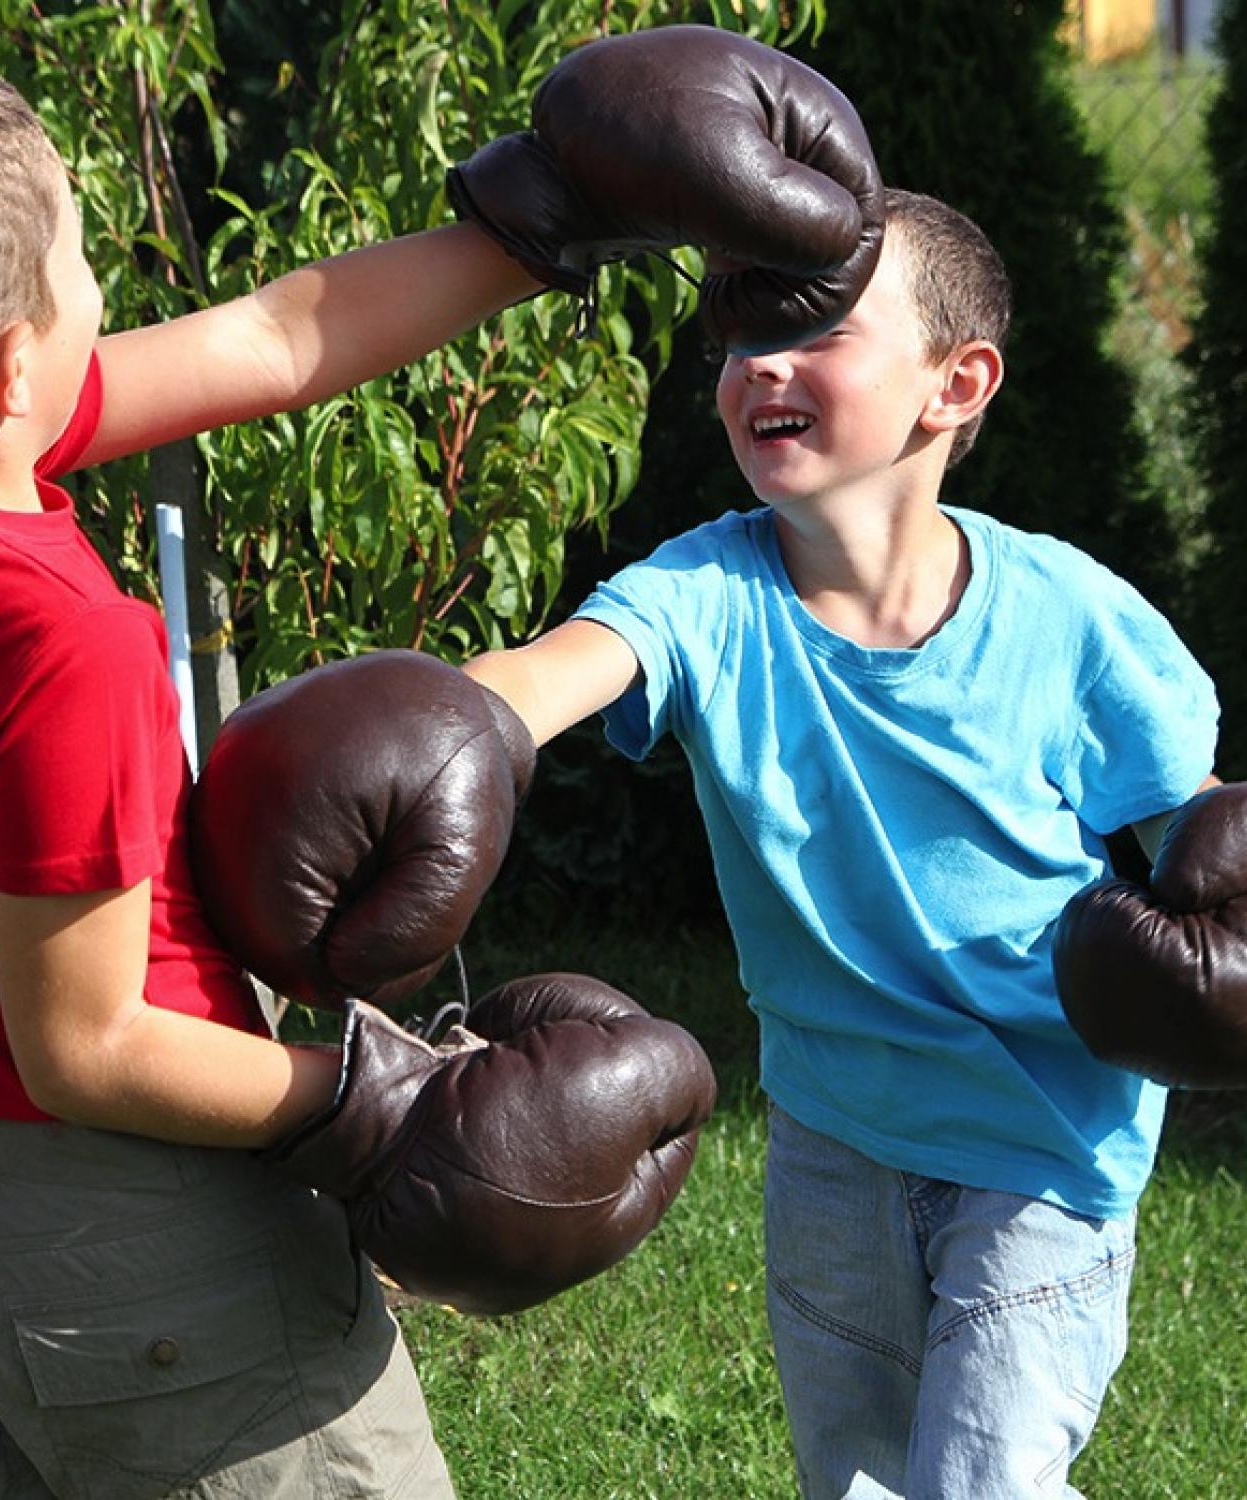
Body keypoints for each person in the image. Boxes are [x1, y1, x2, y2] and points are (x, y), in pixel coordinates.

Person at [0, 34, 880, 1500]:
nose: (100, 283)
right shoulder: (64, 649)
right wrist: (377, 1104)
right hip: (143, 1252)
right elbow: (81, 1043)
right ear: (5, 368)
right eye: (78, 254)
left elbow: (277, 340)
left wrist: (539, 219)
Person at [463, 188, 1220, 1499]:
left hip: (1042, 1147)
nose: (763, 359)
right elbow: (539, 681)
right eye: (744, 326)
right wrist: (410, 732)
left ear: (954, 382)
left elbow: (1205, 835)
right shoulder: (705, 594)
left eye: (817, 328)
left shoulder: (1074, 624)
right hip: (831, 1138)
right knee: (861, 1482)